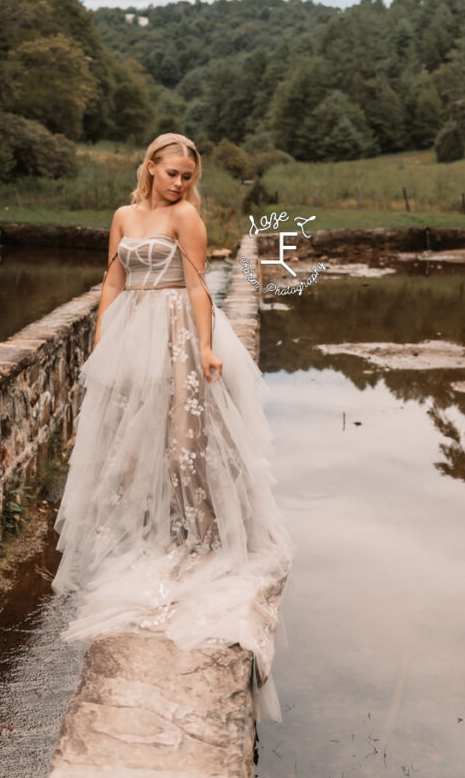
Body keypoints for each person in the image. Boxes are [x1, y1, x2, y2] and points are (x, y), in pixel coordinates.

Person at [52, 132, 295, 720]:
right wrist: (103, 340)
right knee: (128, 444)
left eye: (188, 176)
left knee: (182, 441)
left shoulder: (187, 218)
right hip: (131, 331)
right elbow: (112, 279)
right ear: (151, 167)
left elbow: (195, 285)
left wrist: (208, 349)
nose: (180, 184)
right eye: (172, 173)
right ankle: (142, 536)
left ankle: (195, 539)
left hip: (176, 333)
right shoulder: (123, 215)